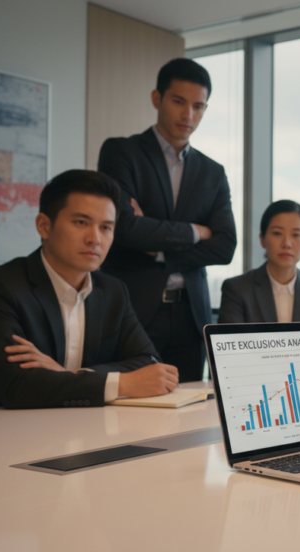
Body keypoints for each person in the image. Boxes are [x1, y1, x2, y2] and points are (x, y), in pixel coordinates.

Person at [0, 170, 179, 410]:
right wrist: (121, 383)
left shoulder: (113, 290)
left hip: (83, 429)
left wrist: (66, 373)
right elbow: (17, 386)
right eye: (81, 222)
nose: (95, 239)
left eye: (106, 227)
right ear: (44, 226)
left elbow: (149, 364)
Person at [98, 58, 236, 382]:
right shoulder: (122, 152)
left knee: (189, 412)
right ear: (157, 99)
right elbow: (126, 229)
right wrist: (196, 232)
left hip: (191, 315)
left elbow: (226, 246)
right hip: (133, 310)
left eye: (199, 106)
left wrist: (157, 245)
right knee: (126, 416)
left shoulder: (212, 172)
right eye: (178, 102)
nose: (189, 115)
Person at [218, 200, 300, 324]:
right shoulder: (237, 289)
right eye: (277, 233)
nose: (286, 243)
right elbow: (230, 342)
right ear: (262, 239)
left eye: (296, 235)